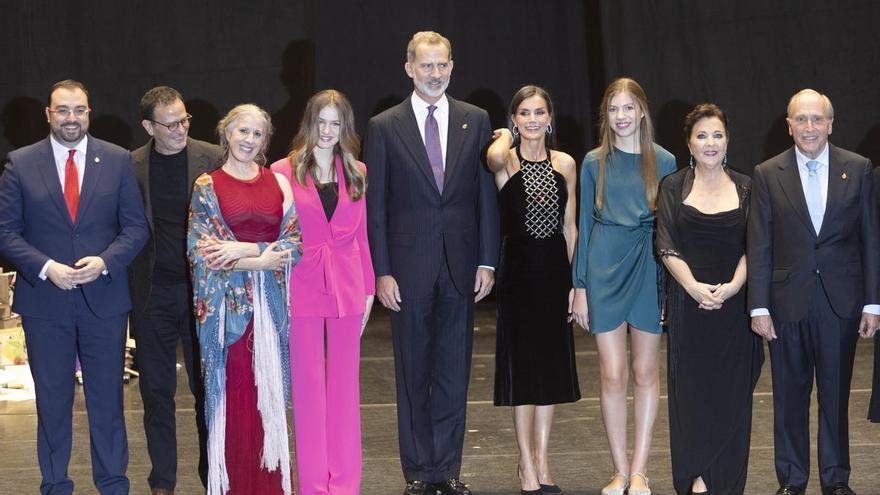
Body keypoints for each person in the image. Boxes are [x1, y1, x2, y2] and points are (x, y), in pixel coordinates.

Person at [365, 31, 499, 495]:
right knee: (413, 372)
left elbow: (485, 196)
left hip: (462, 267)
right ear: (409, 68)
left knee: (452, 373)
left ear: (452, 66)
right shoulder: (384, 126)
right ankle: (419, 471)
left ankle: (448, 469)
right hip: (406, 270)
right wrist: (381, 269)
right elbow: (376, 206)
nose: (435, 73)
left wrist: (487, 260)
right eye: (426, 65)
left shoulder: (475, 120)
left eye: (442, 65)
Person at [0, 79, 149, 494]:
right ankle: (55, 486)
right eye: (62, 110)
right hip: (44, 302)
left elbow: (136, 227)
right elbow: (6, 231)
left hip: (104, 300)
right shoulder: (20, 162)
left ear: (89, 112)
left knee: (108, 403)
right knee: (51, 404)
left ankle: (114, 484)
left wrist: (105, 262)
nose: (71, 118)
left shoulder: (117, 160)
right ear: (49, 114)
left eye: (79, 110)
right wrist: (46, 267)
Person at [748, 89, 880, 495]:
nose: (809, 127)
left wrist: (873, 302)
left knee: (835, 396)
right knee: (789, 396)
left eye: (817, 119)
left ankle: (836, 479)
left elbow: (870, 240)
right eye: (801, 120)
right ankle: (792, 480)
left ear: (830, 123)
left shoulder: (858, 169)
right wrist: (758, 307)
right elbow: (760, 243)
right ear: (789, 125)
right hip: (786, 302)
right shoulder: (767, 173)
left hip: (841, 301)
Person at [187, 104, 302, 495]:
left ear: (265, 141)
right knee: (233, 403)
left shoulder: (279, 184)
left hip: (269, 316)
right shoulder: (207, 185)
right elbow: (203, 253)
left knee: (265, 402)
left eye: (257, 134)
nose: (249, 140)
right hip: (227, 320)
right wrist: (258, 257)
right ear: (226, 134)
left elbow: (294, 245)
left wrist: (243, 250)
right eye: (242, 132)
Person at [570, 77, 676, 495]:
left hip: (648, 266)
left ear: (642, 111)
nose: (622, 116)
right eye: (614, 109)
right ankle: (618, 469)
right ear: (606, 116)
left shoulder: (664, 161)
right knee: (613, 374)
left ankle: (640, 471)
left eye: (628, 107)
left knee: (646, 371)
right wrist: (579, 285)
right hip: (603, 266)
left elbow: (671, 228)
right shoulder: (594, 161)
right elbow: (581, 225)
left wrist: (668, 285)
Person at [269, 89, 375, 495]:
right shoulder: (282, 170)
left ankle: (345, 484)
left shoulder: (358, 171)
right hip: (302, 286)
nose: (328, 131)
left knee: (345, 389)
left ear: (345, 128)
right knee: (309, 389)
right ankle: (313, 485)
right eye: (321, 122)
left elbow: (362, 236)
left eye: (336, 123)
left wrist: (367, 289)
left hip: (349, 288)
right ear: (309, 124)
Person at [655, 103, 763, 495]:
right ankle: (697, 477)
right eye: (702, 135)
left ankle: (727, 482)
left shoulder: (748, 186)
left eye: (717, 134)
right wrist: (694, 287)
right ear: (689, 142)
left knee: (733, 397)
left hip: (735, 309)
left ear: (728, 140)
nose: (710, 142)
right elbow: (665, 244)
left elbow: (757, 245)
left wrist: (733, 286)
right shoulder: (673, 186)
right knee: (693, 397)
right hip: (690, 307)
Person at [129, 85, 223, 495]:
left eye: (184, 120)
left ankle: (213, 480)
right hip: (152, 296)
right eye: (170, 124)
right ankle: (162, 484)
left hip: (203, 294)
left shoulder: (214, 158)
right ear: (149, 126)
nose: (181, 129)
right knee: (156, 393)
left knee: (208, 393)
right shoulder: (130, 166)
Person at [486, 85, 579, 495]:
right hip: (518, 277)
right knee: (523, 371)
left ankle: (543, 459)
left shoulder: (565, 163)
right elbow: (491, 158)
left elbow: (569, 226)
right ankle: (524, 462)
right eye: (524, 112)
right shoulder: (506, 160)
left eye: (540, 112)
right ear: (515, 118)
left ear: (550, 118)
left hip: (555, 276)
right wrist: (505, 136)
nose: (533, 120)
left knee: (550, 369)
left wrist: (575, 282)